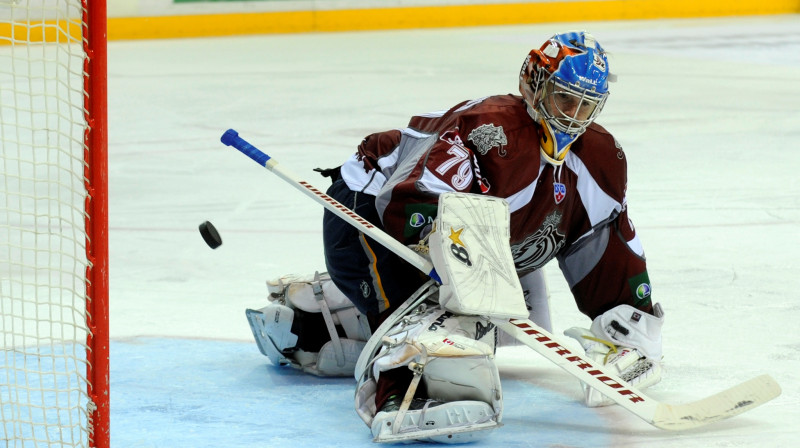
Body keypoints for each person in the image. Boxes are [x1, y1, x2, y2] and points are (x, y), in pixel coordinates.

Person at [246, 30, 665, 443]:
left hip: (474, 236)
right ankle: (404, 383)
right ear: (535, 86)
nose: (574, 116)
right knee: (446, 316)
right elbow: (407, 205)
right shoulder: (490, 131)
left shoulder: (600, 157)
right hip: (368, 211)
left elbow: (608, 242)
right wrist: (463, 279)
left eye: (587, 104)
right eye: (565, 99)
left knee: (472, 315)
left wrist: (631, 315)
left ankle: (327, 320)